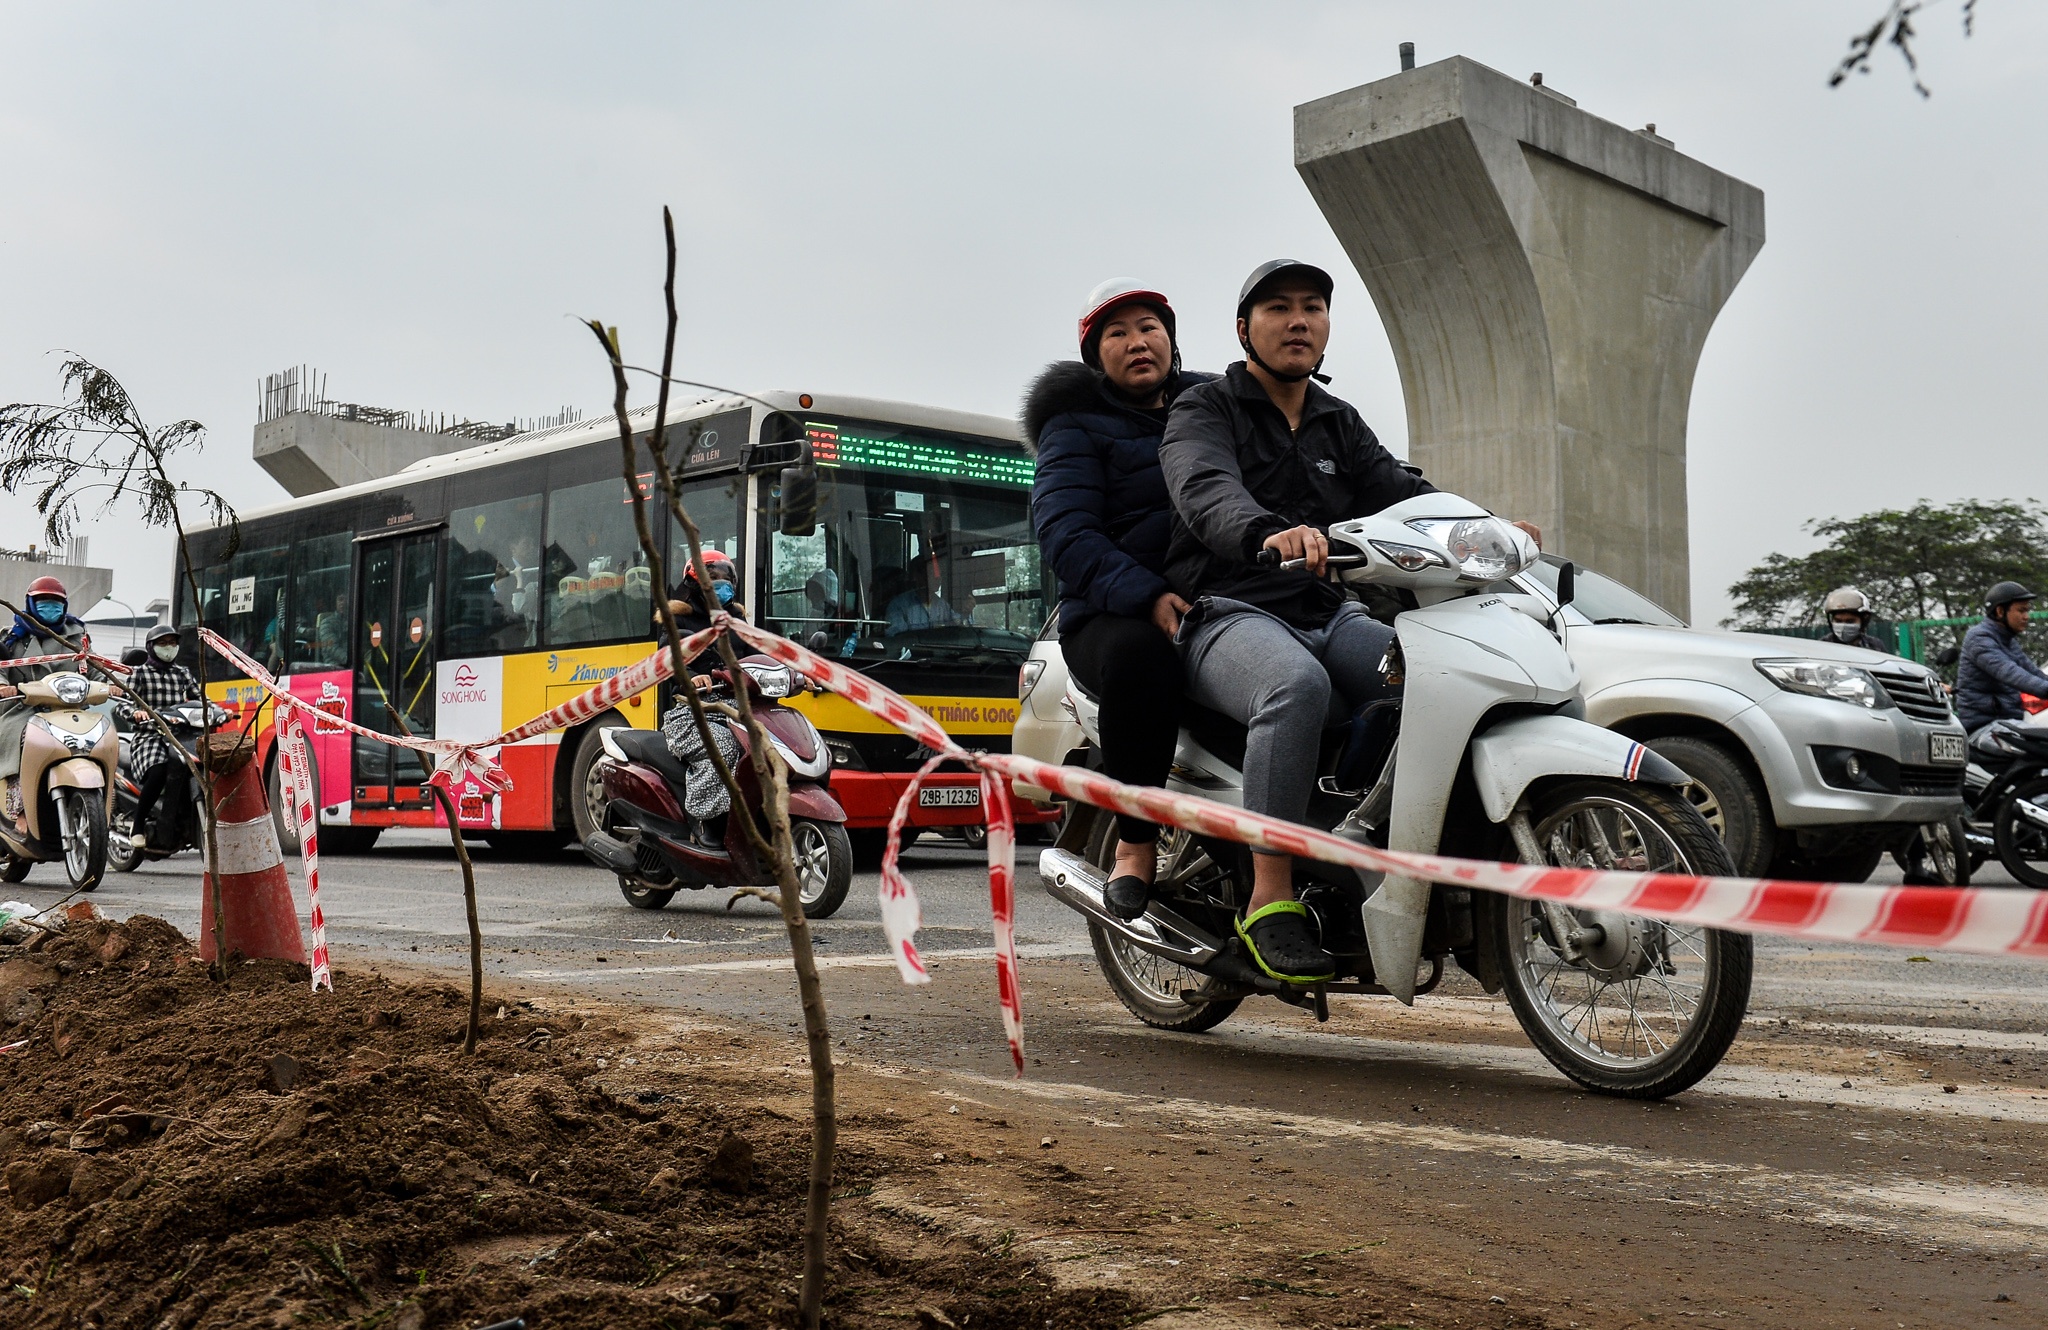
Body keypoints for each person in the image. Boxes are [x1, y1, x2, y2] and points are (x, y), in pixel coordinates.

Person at [1161, 259, 1538, 983]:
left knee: (1437, 677)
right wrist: (1266, 530)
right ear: (1245, 329)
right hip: (1227, 613)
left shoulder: (1339, 422)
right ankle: (1269, 900)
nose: (1298, 320)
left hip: (1328, 611)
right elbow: (1204, 488)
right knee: (1293, 687)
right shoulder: (1205, 409)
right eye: (1277, 308)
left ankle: (1380, 854)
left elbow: (1408, 493)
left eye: (1312, 308)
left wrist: (1491, 527)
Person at [1026, 280, 1212, 920]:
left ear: (1172, 338)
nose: (1138, 342)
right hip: (1110, 616)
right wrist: (1147, 594)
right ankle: (1136, 843)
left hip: (1215, 600)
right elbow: (1066, 534)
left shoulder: (1217, 409)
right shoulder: (1073, 428)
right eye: (1118, 332)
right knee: (1142, 657)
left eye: (1149, 326)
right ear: (1094, 356)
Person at [0, 576, 91, 831]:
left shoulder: (78, 635)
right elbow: (1, 668)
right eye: (43, 602)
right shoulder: (12, 637)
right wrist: (2, 686)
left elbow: (93, 667)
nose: (50, 607)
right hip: (23, 710)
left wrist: (113, 682)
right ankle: (20, 811)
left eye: (55, 603)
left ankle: (102, 809)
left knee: (99, 739)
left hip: (69, 709)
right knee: (23, 743)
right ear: (30, 603)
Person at [114, 623, 202, 849]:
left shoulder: (182, 673)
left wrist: (219, 711)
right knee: (158, 771)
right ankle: (139, 825)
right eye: (162, 643)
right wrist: (136, 713)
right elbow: (123, 705)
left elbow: (200, 699)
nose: (168, 648)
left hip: (180, 736)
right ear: (151, 647)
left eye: (172, 643)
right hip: (149, 736)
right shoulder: (139, 674)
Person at [1956, 581, 2048, 734]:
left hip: (2010, 723)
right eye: (2021, 610)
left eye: (2027, 611)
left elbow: (2034, 673)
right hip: (1982, 727)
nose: (2026, 617)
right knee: (2041, 743)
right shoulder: (1979, 639)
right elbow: (2011, 673)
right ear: (2000, 611)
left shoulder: (2009, 642)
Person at [1823, 587, 1889, 652]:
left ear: (1863, 621)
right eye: (1838, 621)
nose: (1843, 626)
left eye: (1850, 621)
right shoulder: (1823, 646)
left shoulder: (1874, 646)